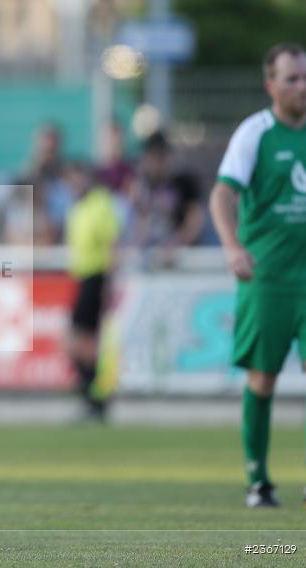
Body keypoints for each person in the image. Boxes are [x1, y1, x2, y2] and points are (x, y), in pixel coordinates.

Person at [210, 42, 306, 509]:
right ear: (270, 85)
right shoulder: (255, 133)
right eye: (292, 78)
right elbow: (222, 195)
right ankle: (258, 479)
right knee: (263, 381)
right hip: (267, 279)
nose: (303, 86)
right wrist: (233, 246)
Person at [63, 161, 121, 420]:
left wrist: (108, 284)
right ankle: (93, 398)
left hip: (96, 277)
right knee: (78, 341)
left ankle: (95, 398)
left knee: (82, 341)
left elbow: (112, 245)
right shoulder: (78, 207)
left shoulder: (101, 203)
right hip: (82, 277)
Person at [130, 131, 205, 267]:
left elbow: (195, 222)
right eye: (151, 158)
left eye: (160, 158)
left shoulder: (184, 183)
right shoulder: (144, 185)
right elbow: (140, 223)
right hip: (151, 258)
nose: (155, 163)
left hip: (182, 260)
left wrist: (175, 243)